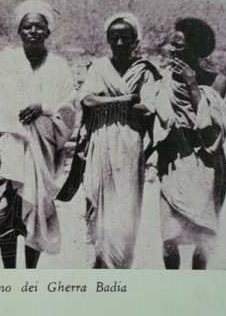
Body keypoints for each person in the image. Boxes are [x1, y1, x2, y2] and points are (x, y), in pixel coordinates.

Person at [0, 0, 76, 268]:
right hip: (10, 150)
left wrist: (43, 107)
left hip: (43, 151)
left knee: (35, 210)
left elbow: (69, 108)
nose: (33, 31)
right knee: (8, 213)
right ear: (19, 31)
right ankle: (10, 273)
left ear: (48, 32)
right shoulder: (5, 62)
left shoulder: (59, 67)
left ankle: (30, 273)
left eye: (39, 27)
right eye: (27, 27)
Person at [78, 13, 160, 268]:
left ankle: (120, 264)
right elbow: (87, 100)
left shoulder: (144, 70)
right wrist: (124, 100)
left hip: (129, 144)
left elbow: (148, 107)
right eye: (115, 38)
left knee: (125, 207)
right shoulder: (99, 67)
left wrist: (106, 103)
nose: (121, 43)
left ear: (136, 40)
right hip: (100, 142)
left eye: (126, 37)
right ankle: (101, 261)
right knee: (97, 201)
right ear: (108, 40)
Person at [152, 18, 226, 269]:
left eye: (179, 46)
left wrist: (192, 83)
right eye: (171, 46)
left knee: (203, 238)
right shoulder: (163, 80)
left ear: (196, 48)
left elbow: (212, 127)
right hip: (173, 161)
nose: (172, 51)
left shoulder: (217, 80)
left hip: (206, 164)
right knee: (169, 237)